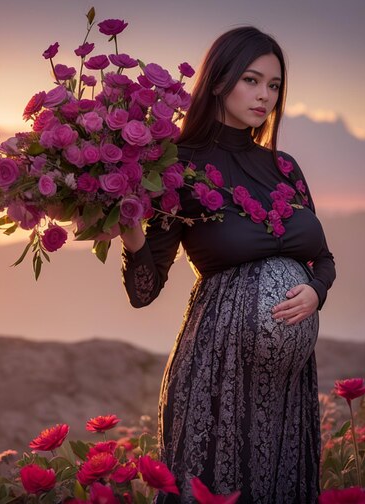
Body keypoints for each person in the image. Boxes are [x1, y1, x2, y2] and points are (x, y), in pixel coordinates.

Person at [120, 26, 336, 503]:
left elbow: (322, 258)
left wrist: (316, 291)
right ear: (218, 81)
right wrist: (131, 228)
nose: (265, 96)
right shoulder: (178, 165)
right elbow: (144, 290)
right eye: (252, 80)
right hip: (217, 374)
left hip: (287, 389)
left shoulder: (285, 168)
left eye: (274, 86)